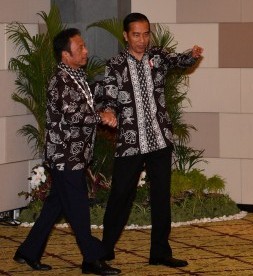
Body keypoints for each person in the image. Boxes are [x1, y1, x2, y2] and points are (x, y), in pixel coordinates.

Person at [96, 12, 203, 267]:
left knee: (161, 197)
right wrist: (109, 111)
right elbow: (108, 96)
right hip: (131, 142)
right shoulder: (115, 65)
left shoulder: (158, 56)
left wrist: (193, 54)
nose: (142, 40)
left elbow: (180, 60)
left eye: (146, 34)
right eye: (136, 34)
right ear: (125, 35)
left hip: (159, 139)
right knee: (120, 196)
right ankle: (105, 250)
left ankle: (160, 253)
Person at [13, 28, 120, 275]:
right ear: (65, 54)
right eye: (80, 47)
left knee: (55, 206)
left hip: (75, 154)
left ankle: (27, 251)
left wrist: (108, 98)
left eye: (84, 46)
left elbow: (89, 98)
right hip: (65, 156)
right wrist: (101, 116)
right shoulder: (59, 81)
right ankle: (92, 258)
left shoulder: (75, 75)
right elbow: (74, 114)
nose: (86, 51)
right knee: (78, 207)